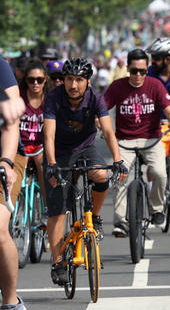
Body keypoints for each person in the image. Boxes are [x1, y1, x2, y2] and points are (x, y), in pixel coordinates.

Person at [43, 57, 128, 286]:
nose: (73, 85)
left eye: (79, 80)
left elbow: (109, 133)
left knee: (101, 174)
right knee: (58, 211)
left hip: (85, 148)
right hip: (59, 152)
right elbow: (48, 135)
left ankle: (96, 216)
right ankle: (58, 261)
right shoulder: (53, 98)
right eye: (69, 79)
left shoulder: (96, 99)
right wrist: (51, 164)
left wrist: (118, 160)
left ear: (87, 82)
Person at [104, 49, 170, 236]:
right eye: (134, 70)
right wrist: (98, 121)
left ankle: (156, 209)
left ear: (147, 70)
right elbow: (102, 108)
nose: (138, 75)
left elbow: (168, 110)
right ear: (128, 68)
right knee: (120, 177)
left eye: (143, 71)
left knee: (160, 173)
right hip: (124, 141)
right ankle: (121, 222)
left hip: (151, 140)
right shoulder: (117, 86)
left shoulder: (156, 85)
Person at [0, 57, 27, 310]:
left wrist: (6, 162)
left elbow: (11, 122)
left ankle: (10, 302)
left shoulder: (0, 66)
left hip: (6, 155)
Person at [15, 61, 48, 213]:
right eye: (31, 80)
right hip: (19, 146)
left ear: (45, 80)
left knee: (43, 167)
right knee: (12, 175)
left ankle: (47, 208)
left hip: (40, 147)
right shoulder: (18, 98)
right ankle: (10, 211)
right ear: (25, 81)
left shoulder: (49, 100)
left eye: (39, 80)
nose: (35, 83)